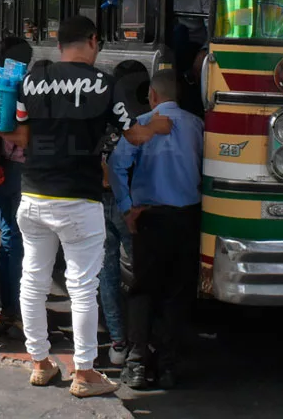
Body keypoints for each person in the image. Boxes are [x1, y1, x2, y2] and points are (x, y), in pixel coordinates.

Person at [0, 16, 173, 398]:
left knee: (33, 280)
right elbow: (134, 134)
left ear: (59, 44)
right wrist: (156, 127)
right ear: (93, 40)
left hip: (34, 196)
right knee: (82, 286)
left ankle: (40, 363)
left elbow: (20, 135)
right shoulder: (105, 84)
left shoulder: (32, 80)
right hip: (79, 200)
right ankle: (85, 371)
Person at [108, 70, 203, 390]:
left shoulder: (141, 125)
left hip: (148, 219)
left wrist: (126, 208)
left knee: (143, 290)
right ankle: (168, 367)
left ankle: (136, 364)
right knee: (177, 293)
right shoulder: (197, 126)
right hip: (187, 219)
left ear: (152, 95)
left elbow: (116, 166)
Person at [98, 60, 152, 367]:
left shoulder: (102, 115)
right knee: (142, 274)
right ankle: (142, 340)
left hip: (98, 202)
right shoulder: (139, 121)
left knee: (107, 274)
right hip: (130, 205)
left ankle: (118, 341)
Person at [0, 36, 32, 337]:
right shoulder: (29, 87)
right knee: (24, 241)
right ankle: (20, 309)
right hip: (24, 169)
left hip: (3, 168)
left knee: (9, 238)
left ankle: (10, 309)